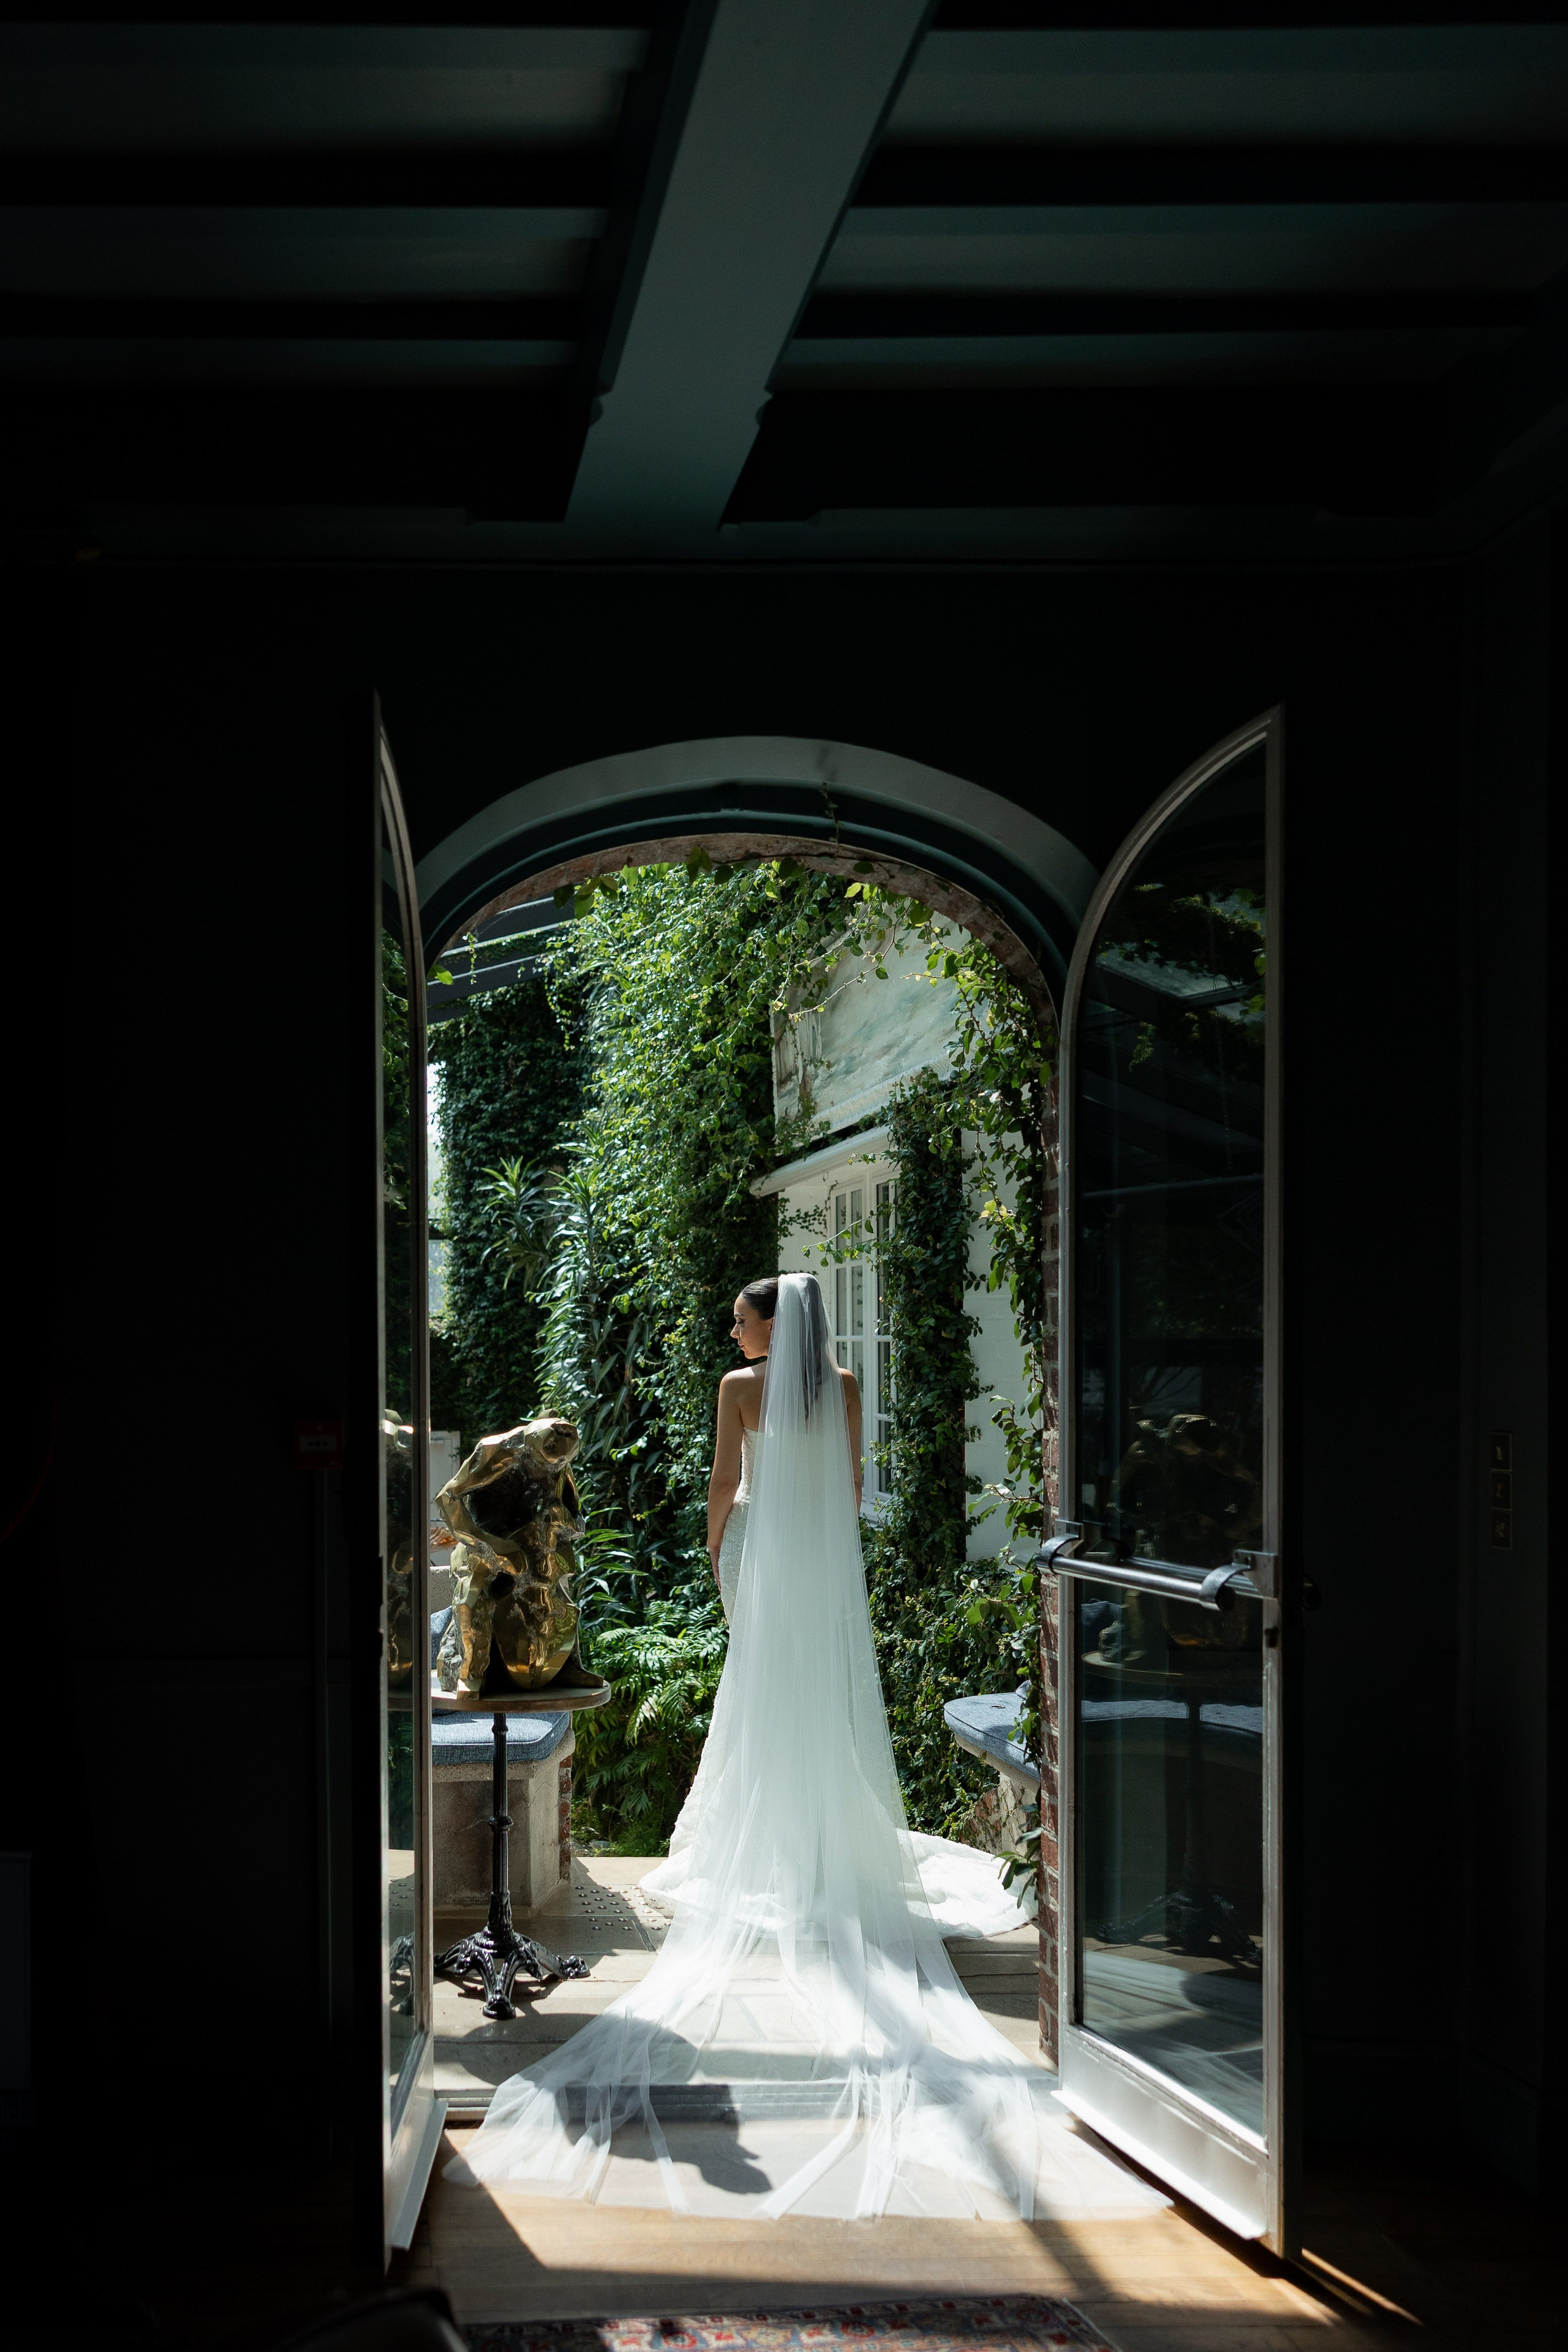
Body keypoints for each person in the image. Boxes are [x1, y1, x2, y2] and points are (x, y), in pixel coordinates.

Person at [445, 1272, 1165, 2223]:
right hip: (820, 1560)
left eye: (743, 1320)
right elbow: (854, 1484)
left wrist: (716, 1556)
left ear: (773, 1323)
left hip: (760, 1554)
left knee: (760, 1693)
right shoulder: (847, 1387)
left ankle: (769, 1838)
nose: (734, 1332)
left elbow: (722, 1484)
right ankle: (812, 1831)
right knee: (813, 1695)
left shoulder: (739, 1391)